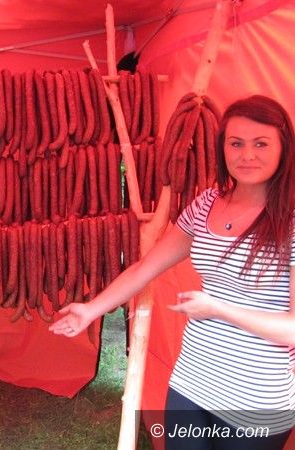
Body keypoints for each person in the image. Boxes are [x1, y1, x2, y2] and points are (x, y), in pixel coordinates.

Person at [49, 95, 295, 450]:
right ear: (222, 148)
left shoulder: (290, 220)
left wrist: (219, 309)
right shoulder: (207, 203)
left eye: (261, 144)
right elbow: (145, 267)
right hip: (192, 380)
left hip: (256, 398)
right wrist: (91, 309)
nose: (247, 155)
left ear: (284, 148)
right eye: (236, 143)